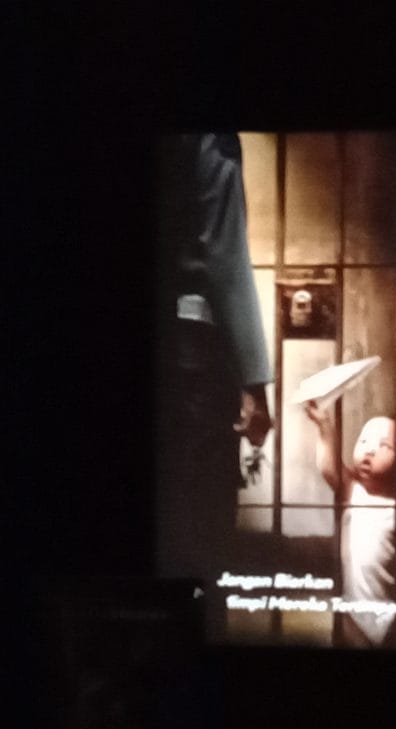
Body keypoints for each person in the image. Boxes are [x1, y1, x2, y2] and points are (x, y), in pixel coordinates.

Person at [156, 133, 273, 578]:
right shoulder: (210, 139)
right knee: (199, 522)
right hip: (192, 352)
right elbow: (225, 254)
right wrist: (254, 382)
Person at [305, 403, 396, 647]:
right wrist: (325, 426)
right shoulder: (353, 491)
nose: (369, 450)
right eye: (363, 441)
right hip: (354, 605)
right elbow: (328, 467)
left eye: (383, 445)